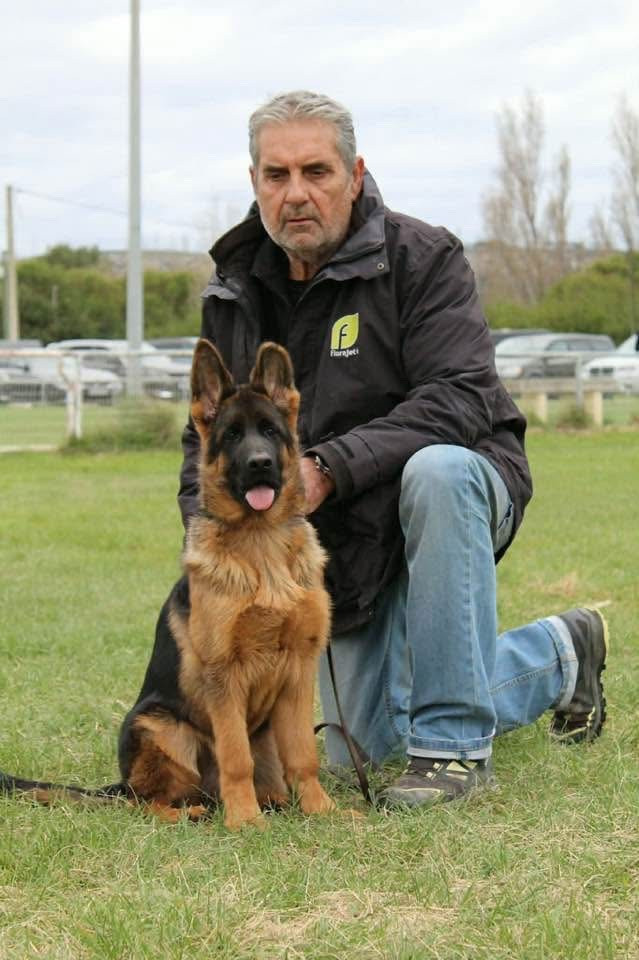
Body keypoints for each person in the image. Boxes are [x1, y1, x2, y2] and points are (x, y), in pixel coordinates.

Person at [178, 91, 609, 808]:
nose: (296, 194)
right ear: (254, 181)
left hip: (452, 496)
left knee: (435, 471)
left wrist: (327, 466)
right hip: (335, 543)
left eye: (316, 171)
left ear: (354, 173)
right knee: (363, 744)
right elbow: (202, 453)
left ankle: (451, 754)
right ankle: (559, 655)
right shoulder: (231, 292)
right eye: (276, 175)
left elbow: (461, 396)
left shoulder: (422, 258)